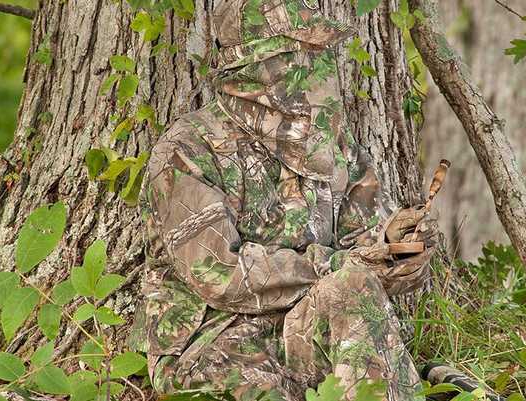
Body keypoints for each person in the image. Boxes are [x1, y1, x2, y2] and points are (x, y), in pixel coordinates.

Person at [134, 0, 441, 399]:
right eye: (297, 54)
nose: (314, 68)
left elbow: (361, 251)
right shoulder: (187, 150)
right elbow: (220, 275)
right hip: (212, 345)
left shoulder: (330, 144)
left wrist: (395, 246)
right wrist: (339, 264)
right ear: (250, 65)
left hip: (302, 329)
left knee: (353, 286)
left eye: (316, 53)